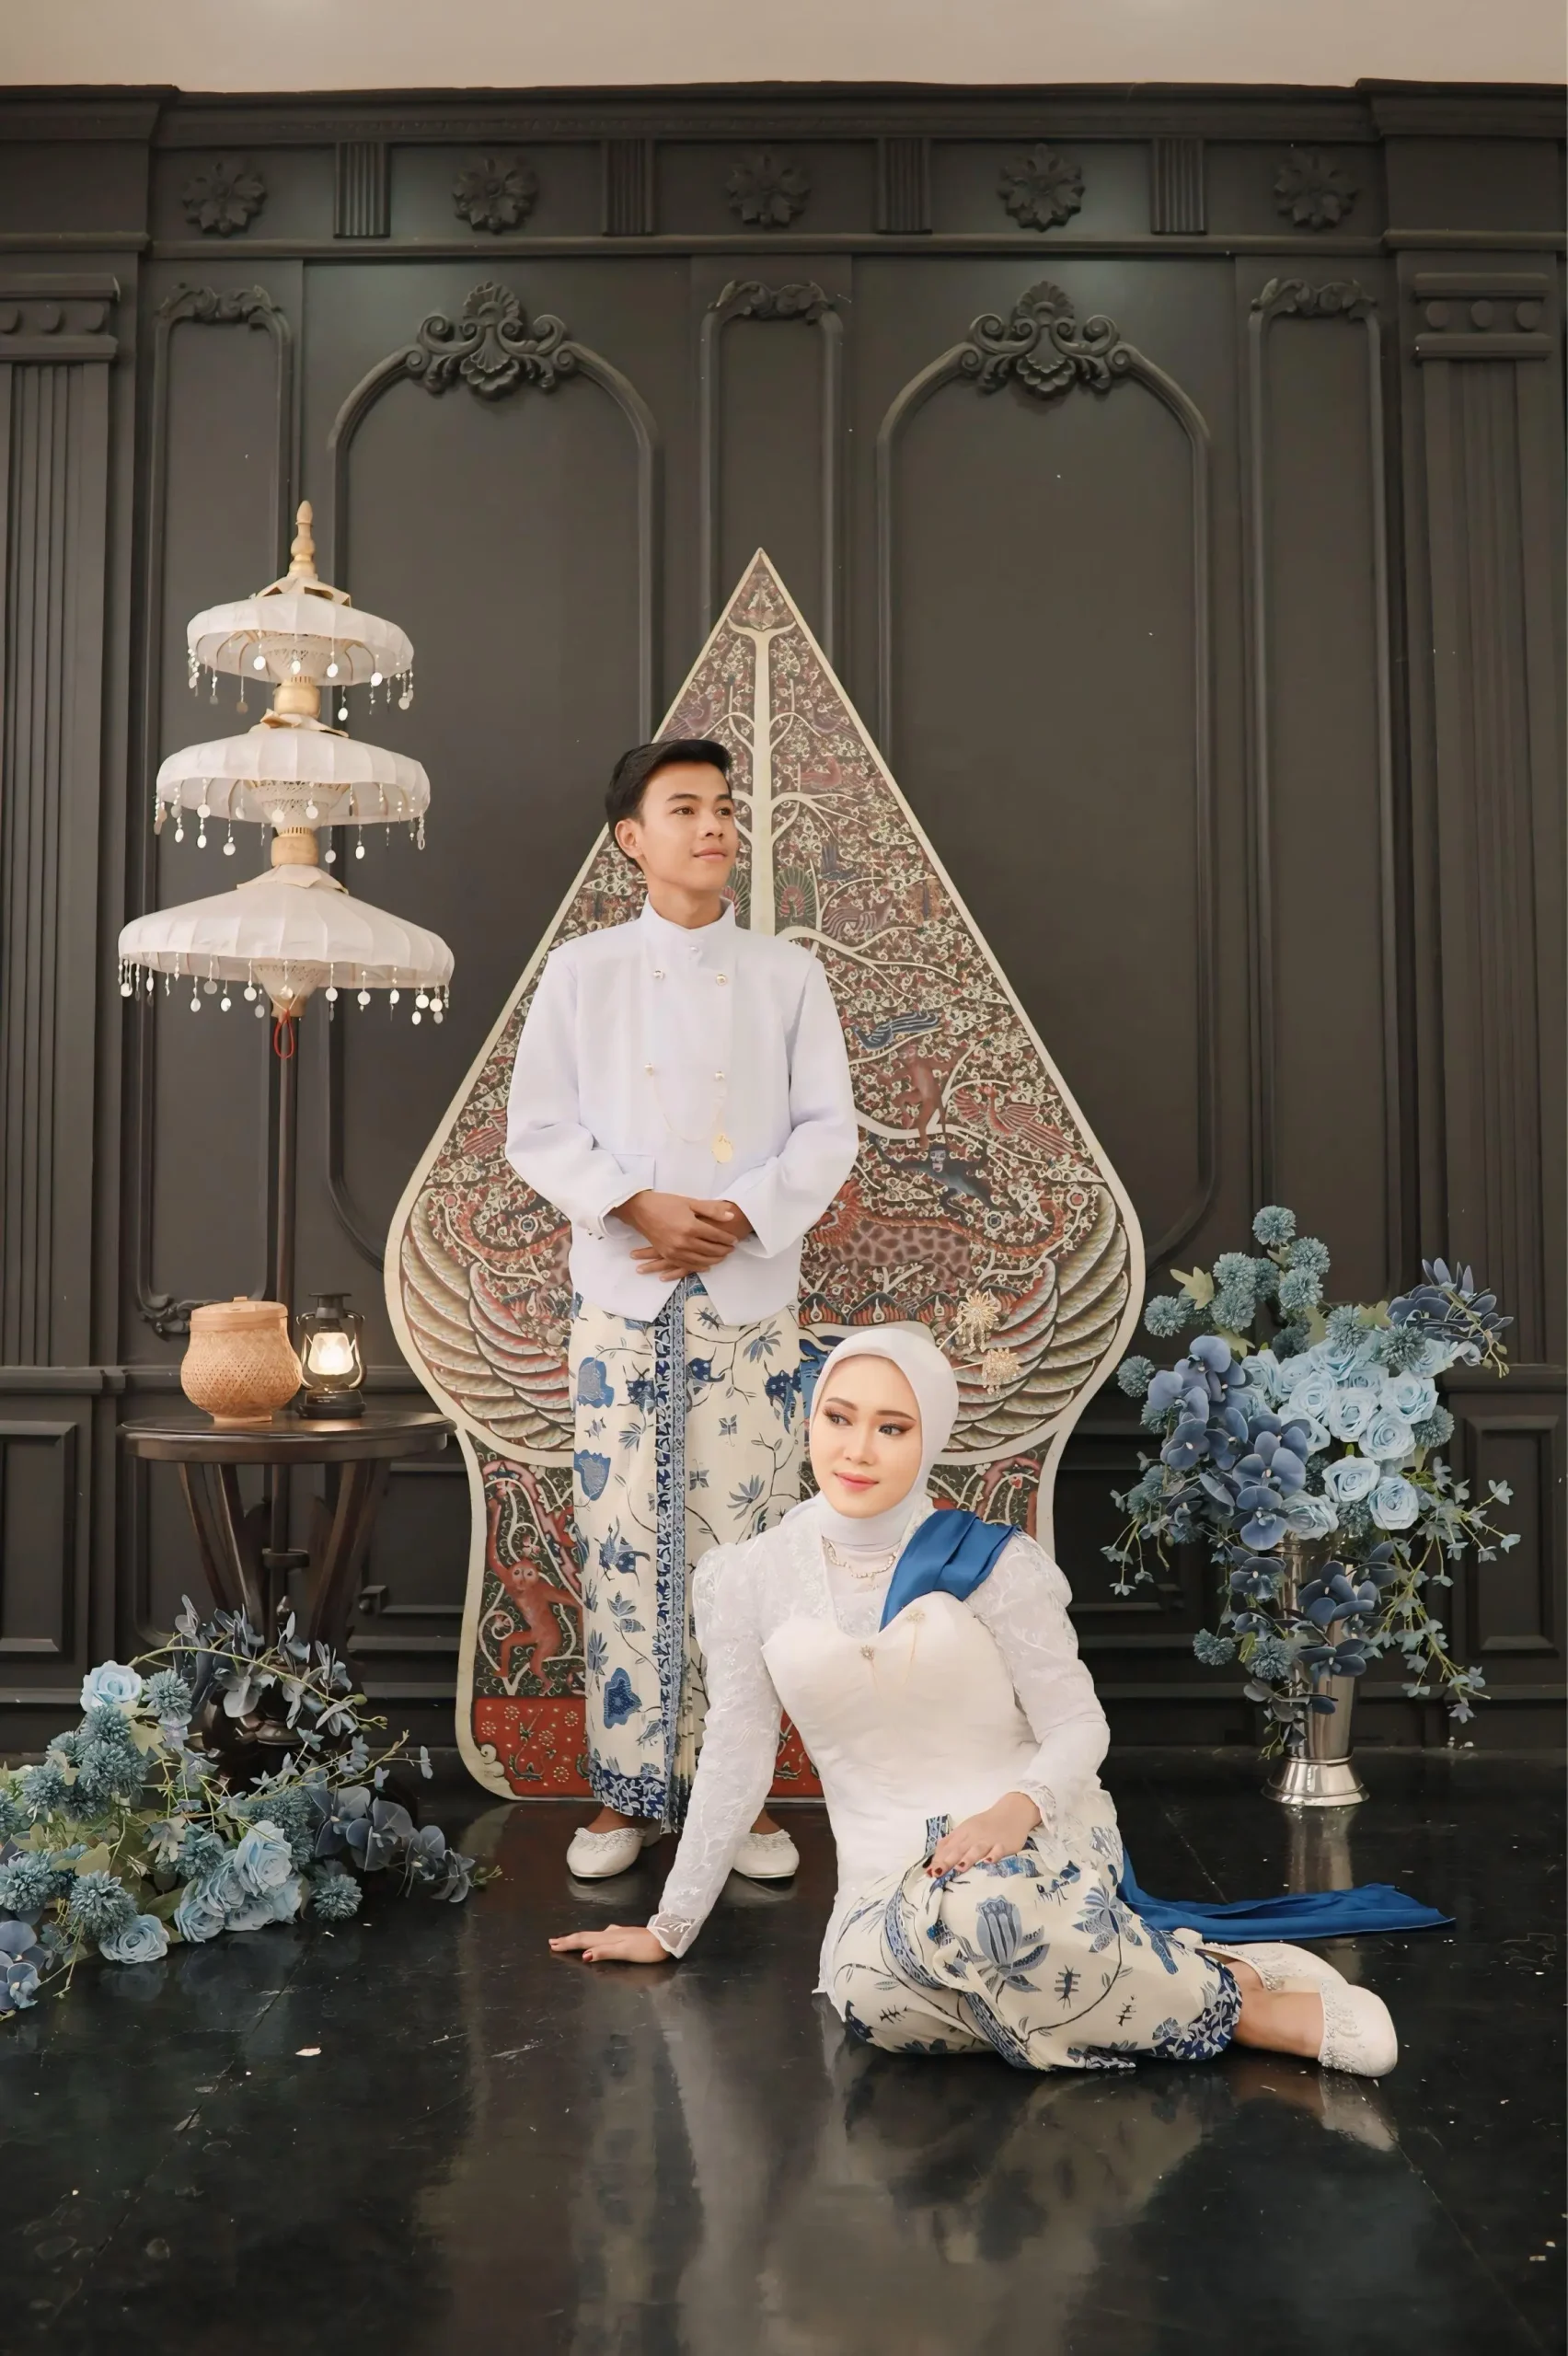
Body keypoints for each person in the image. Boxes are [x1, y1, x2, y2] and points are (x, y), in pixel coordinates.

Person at [549, 1324, 1400, 2078]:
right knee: (870, 2001)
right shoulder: (748, 1578)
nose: (857, 1449)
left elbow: (1078, 1726)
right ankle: (1173, 1975)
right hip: (886, 1879)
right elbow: (737, 1756)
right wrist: (669, 1927)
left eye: (892, 1428)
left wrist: (1013, 1811)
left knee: (991, 1914)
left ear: (931, 1436)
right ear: (810, 1419)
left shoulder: (993, 1561)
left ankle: (1242, 2006)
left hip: (1026, 1843)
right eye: (839, 1417)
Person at [507, 740, 859, 1879]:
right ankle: (623, 1798)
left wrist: (738, 1215)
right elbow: (540, 1129)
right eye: (685, 808)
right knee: (621, 1547)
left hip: (746, 1299)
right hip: (622, 1300)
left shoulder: (786, 974)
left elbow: (828, 1131)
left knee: (745, 1552)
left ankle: (737, 1800)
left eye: (724, 807)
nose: (713, 826)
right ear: (632, 838)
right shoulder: (583, 971)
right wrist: (638, 1204)